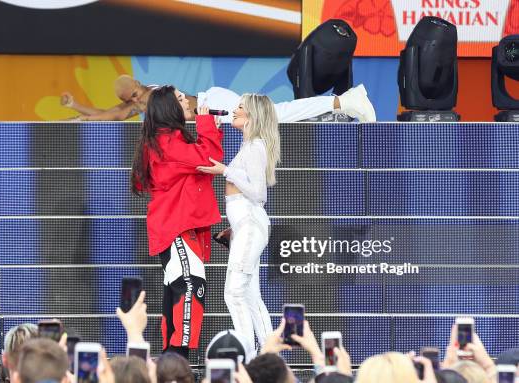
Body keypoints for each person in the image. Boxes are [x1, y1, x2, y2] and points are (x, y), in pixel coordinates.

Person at [130, 85, 223, 360]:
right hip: (177, 227)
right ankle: (176, 360)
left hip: (175, 227)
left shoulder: (166, 140)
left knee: (178, 291)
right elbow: (209, 160)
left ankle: (172, 360)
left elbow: (204, 164)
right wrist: (207, 124)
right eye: (181, 99)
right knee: (189, 287)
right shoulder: (168, 142)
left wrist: (209, 128)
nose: (188, 101)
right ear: (169, 107)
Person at [197, 93, 278, 352]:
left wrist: (225, 171)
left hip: (251, 225)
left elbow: (258, 193)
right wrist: (236, 228)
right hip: (246, 226)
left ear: (252, 115)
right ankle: (267, 355)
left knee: (234, 293)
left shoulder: (255, 146)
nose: (234, 110)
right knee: (251, 297)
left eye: (240, 107)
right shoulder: (250, 145)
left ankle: (247, 355)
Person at [61, 74, 376, 122]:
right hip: (214, 111)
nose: (127, 105)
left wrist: (81, 114)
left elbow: (110, 115)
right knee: (274, 114)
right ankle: (343, 101)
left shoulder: (158, 96)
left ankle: (344, 101)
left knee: (273, 114)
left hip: (216, 105)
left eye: (126, 100)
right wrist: (77, 109)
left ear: (131, 94)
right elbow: (108, 115)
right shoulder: (140, 102)